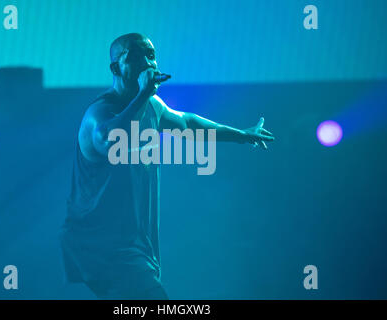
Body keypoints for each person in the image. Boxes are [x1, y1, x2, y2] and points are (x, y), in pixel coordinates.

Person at [60, 33, 274, 299]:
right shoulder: (100, 111)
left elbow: (188, 123)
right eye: (136, 56)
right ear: (116, 68)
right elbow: (109, 140)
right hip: (100, 244)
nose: (148, 63)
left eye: (151, 55)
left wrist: (241, 135)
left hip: (134, 242)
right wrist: (143, 95)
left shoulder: (152, 106)